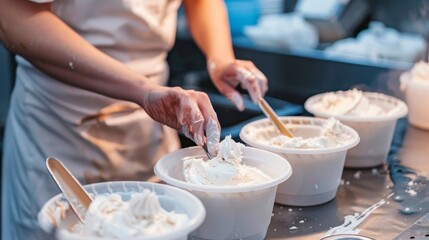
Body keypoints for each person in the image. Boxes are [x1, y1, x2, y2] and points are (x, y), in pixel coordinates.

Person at [0, 0, 268, 239]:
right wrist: (142, 90)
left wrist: (219, 59)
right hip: (61, 129)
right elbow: (12, 17)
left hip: (150, 130)